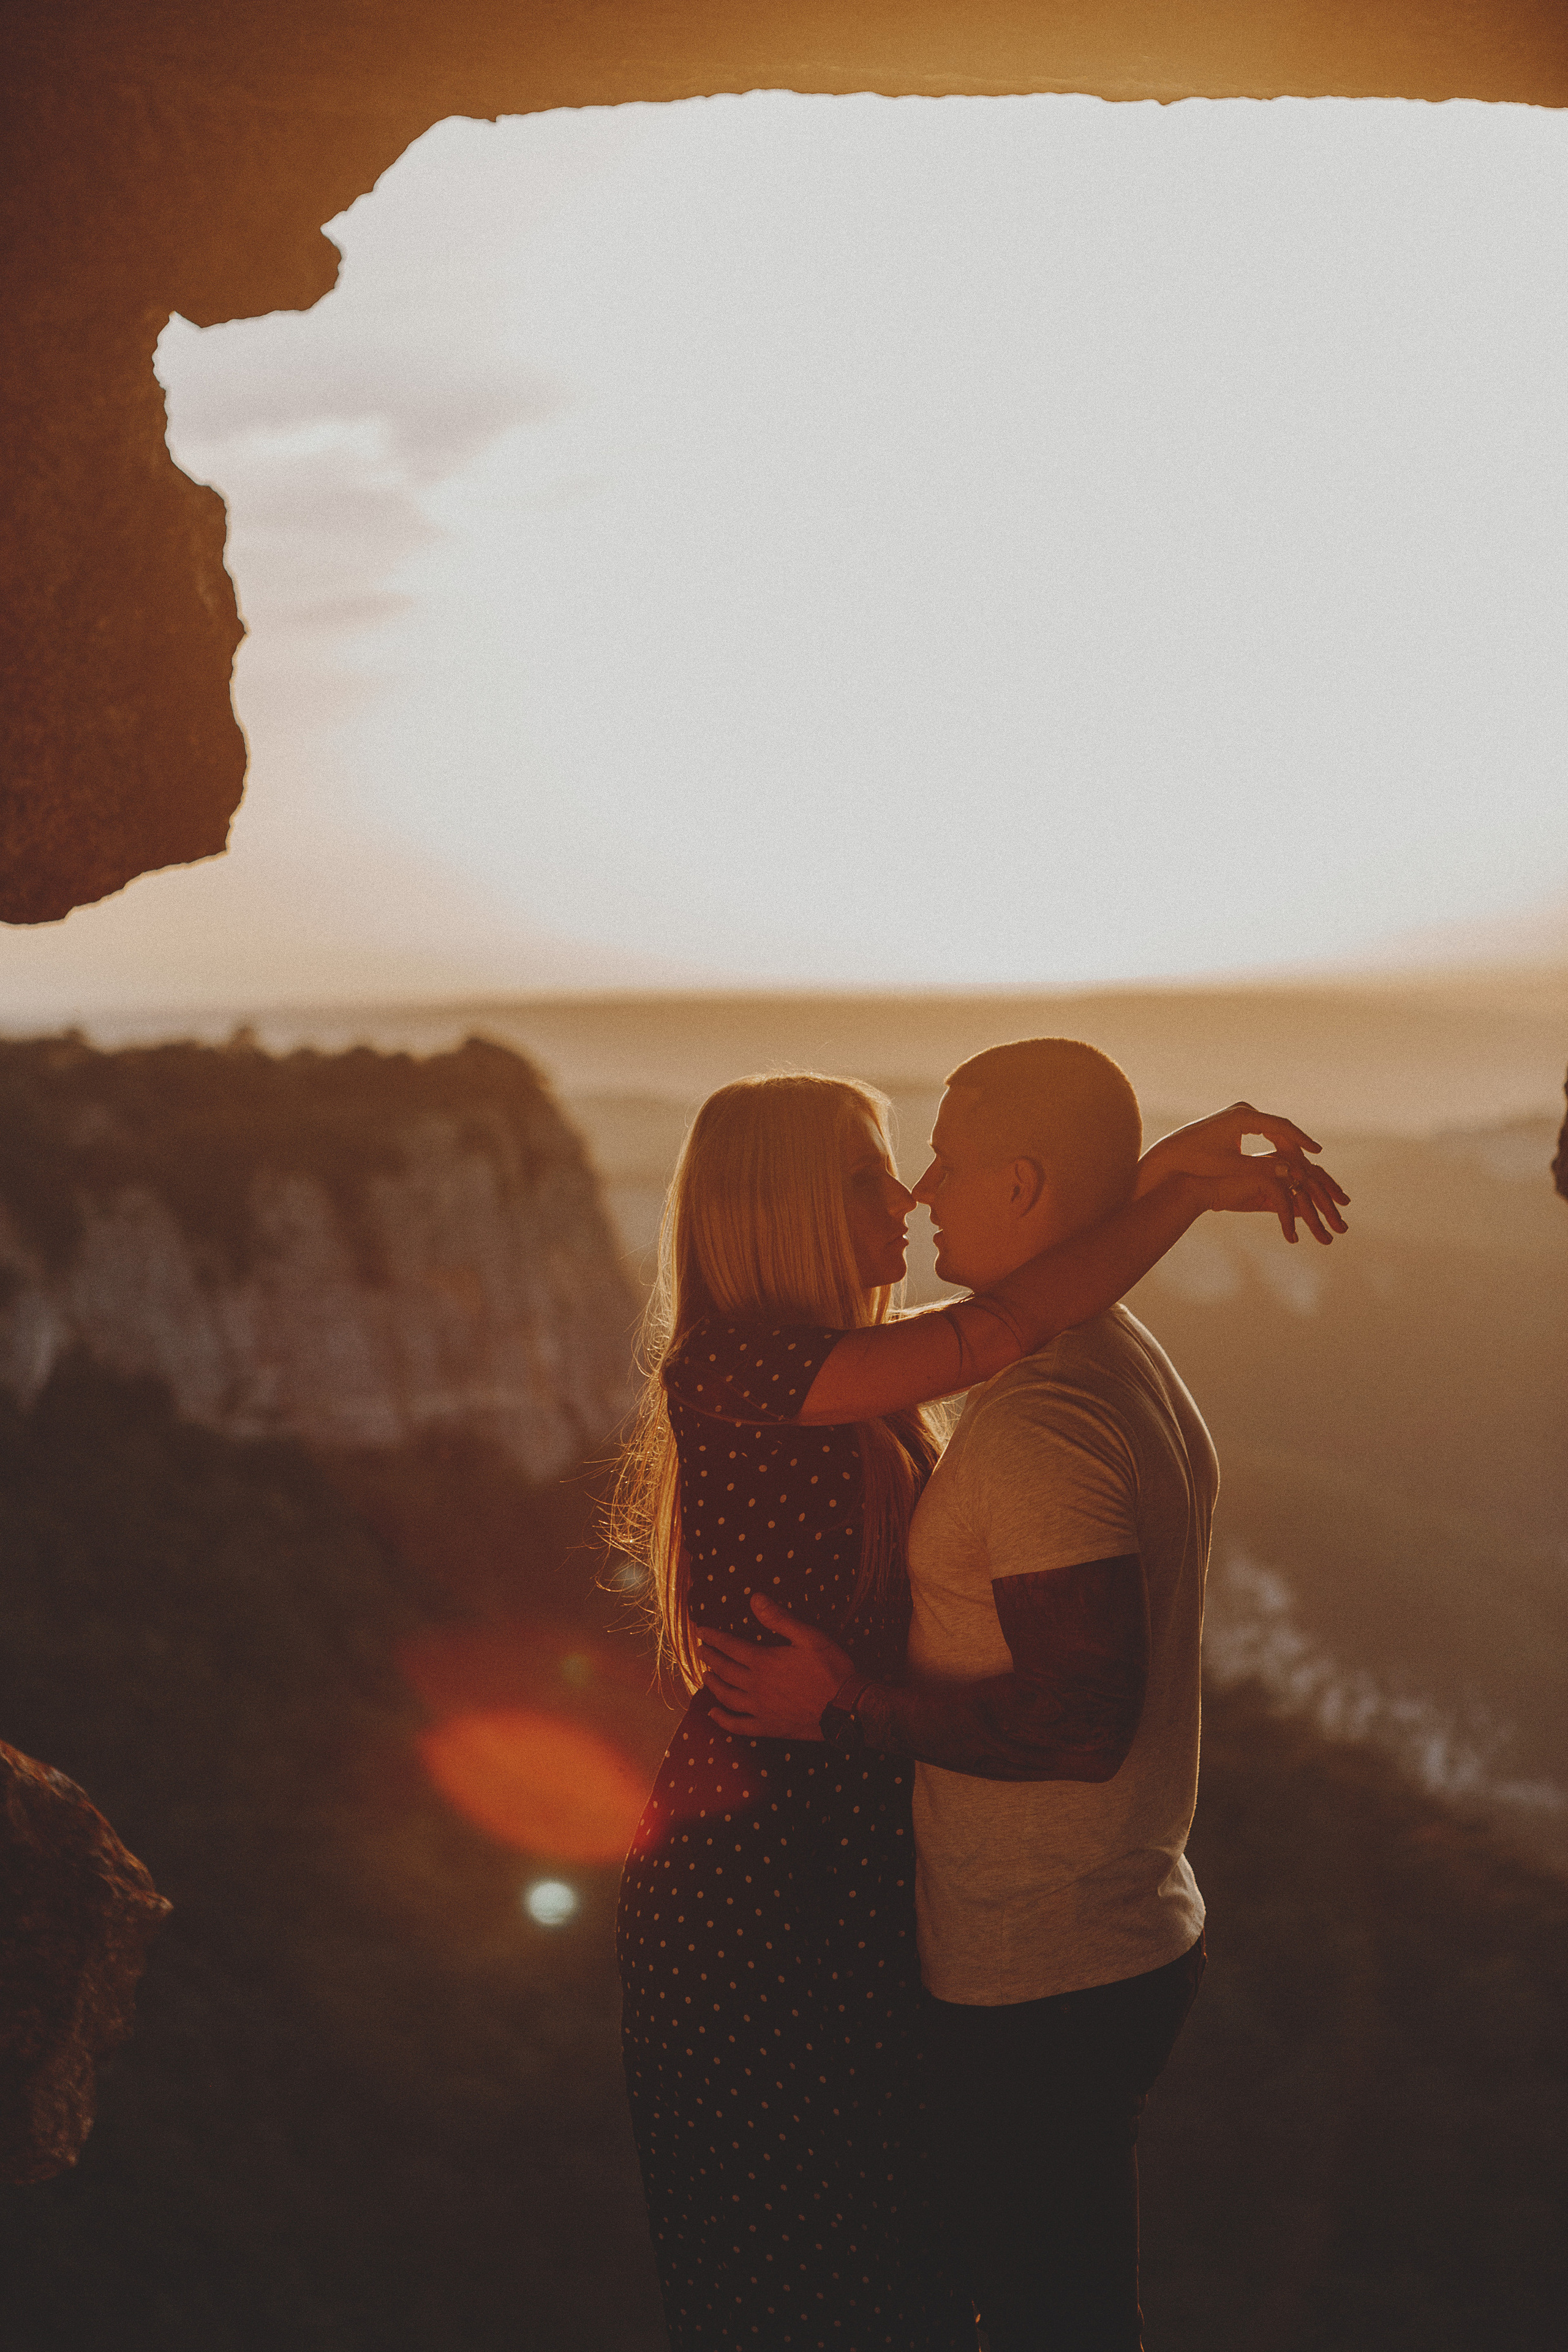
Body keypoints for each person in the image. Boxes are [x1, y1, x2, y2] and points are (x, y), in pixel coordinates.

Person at [614, 1063, 1346, 2352]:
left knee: (897, 2255)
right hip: (757, 1857)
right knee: (792, 2256)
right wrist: (1166, 1187)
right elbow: (995, 1327)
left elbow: (1011, 1314)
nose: (903, 1193)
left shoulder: (851, 1373)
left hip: (849, 1834)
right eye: (865, 1172)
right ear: (777, 1205)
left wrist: (1158, 1178)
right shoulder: (736, 1366)